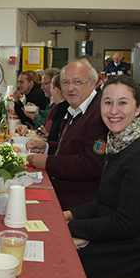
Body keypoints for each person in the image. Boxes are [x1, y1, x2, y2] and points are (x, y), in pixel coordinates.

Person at [63, 75, 140, 278]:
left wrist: (70, 227)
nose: (113, 110)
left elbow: (124, 225)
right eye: (108, 102)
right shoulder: (118, 143)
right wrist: (68, 214)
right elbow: (104, 201)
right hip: (126, 238)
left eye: (122, 102)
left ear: (138, 108)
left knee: (63, 265)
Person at [26, 60, 109, 209]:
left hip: (77, 203)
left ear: (92, 83)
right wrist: (46, 147)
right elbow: (73, 148)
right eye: (65, 82)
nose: (70, 88)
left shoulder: (98, 114)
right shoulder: (77, 108)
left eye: (77, 82)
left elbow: (92, 165)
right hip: (63, 191)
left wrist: (47, 162)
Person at [46, 73, 70, 142]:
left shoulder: (61, 111)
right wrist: (47, 135)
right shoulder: (63, 107)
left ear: (56, 90)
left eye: (51, 88)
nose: (51, 91)